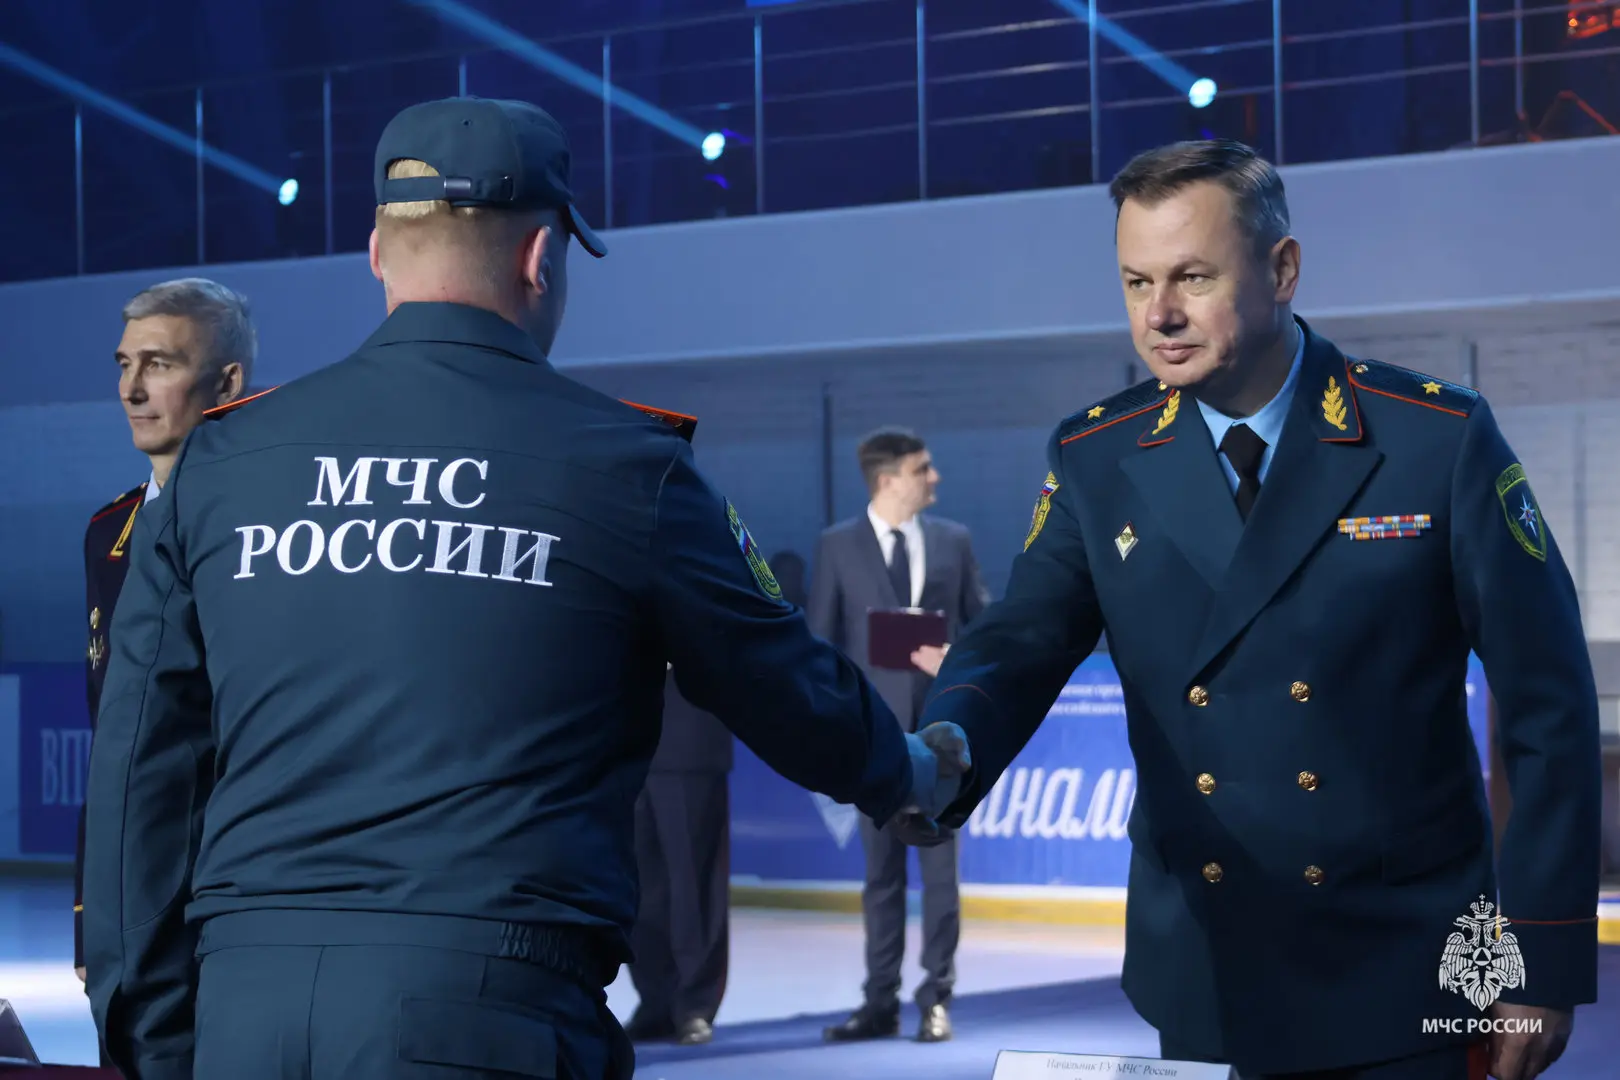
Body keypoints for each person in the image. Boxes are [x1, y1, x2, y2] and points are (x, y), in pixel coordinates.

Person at [80, 96, 963, 1080]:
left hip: (245, 1016)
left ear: (377, 253)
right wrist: (909, 775)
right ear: (541, 257)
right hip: (488, 1015)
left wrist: (155, 1032)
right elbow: (778, 677)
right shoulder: (624, 466)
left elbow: (138, 771)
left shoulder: (222, 464)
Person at [899, 140, 1602, 1080]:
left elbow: (1550, 701)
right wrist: (947, 743)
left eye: (1193, 276)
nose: (1160, 314)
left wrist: (1542, 953)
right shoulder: (1097, 457)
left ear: (1283, 269)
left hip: (1412, 959)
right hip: (1205, 959)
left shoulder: (1434, 439)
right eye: (1137, 282)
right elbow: (1020, 639)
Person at [75, 277, 253, 998]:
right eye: (125, 364)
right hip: (132, 900)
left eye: (160, 364)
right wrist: (89, 915)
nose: (131, 389)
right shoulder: (106, 534)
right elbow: (111, 741)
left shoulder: (277, 528)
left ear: (226, 382)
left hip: (244, 890)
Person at [808, 428, 989, 1044]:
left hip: (941, 743)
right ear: (888, 480)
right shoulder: (836, 546)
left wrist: (955, 662)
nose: (934, 477)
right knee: (880, 877)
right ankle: (878, 1002)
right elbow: (820, 646)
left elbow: (982, 629)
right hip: (873, 743)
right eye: (922, 469)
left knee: (940, 877)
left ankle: (937, 998)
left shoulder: (953, 541)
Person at [624, 671, 733, 1046]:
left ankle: (694, 1005)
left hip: (689, 731)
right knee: (638, 886)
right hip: (621, 740)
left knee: (693, 884)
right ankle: (655, 1002)